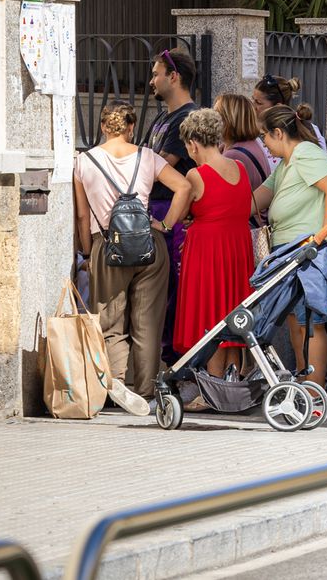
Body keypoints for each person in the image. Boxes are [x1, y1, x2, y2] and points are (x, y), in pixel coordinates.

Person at [73, 102, 193, 409]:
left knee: (112, 323)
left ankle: (118, 390)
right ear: (131, 128)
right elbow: (184, 187)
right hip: (149, 243)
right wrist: (165, 225)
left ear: (102, 127)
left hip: (106, 244)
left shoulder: (83, 162)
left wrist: (87, 252)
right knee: (148, 322)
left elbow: (83, 218)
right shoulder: (147, 156)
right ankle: (148, 392)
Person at [254, 105, 327, 392]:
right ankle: (304, 381)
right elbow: (260, 197)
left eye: (264, 135)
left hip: (320, 247)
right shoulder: (287, 161)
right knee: (296, 319)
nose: (262, 142)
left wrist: (324, 239)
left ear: (278, 133)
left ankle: (313, 388)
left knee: (309, 320)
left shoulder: (305, 153)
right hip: (300, 250)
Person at [171, 109, 255, 381]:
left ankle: (214, 383)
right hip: (238, 251)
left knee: (211, 313)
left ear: (193, 143)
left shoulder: (197, 175)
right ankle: (231, 379)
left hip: (209, 252)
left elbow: (181, 213)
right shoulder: (240, 168)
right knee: (231, 310)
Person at [146, 48, 199, 359]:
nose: (152, 81)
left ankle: (175, 355)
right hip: (157, 209)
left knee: (174, 288)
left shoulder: (187, 118)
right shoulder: (164, 117)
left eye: (156, 74)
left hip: (172, 211)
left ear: (173, 76)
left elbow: (162, 164)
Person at [252, 74, 327, 154]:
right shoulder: (252, 129)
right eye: (253, 99)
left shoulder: (308, 129)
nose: (253, 106)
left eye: (258, 102)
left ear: (278, 106)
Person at [215, 94, 271, 192]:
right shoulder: (249, 143)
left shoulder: (234, 154)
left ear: (229, 119)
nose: (211, 119)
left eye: (216, 114)